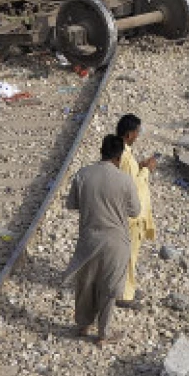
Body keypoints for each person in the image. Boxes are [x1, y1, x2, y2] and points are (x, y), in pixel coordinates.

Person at [63, 134, 140, 344]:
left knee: (86, 283)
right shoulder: (125, 180)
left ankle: (83, 325)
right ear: (120, 156)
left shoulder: (83, 175)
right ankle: (104, 334)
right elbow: (135, 211)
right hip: (116, 242)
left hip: (89, 239)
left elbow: (72, 204)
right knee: (109, 287)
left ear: (101, 151)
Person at [115, 114, 157, 309]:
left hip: (130, 214)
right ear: (130, 134)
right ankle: (123, 294)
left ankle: (128, 287)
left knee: (130, 253)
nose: (138, 135)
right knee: (128, 254)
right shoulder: (124, 156)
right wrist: (147, 170)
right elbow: (131, 186)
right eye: (137, 132)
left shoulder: (123, 153)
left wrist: (139, 166)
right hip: (131, 216)